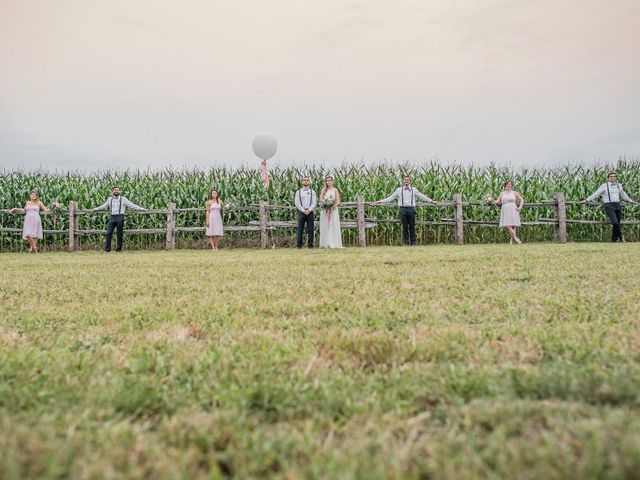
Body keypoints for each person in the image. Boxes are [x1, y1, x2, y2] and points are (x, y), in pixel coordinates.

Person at [376, 176, 438, 245]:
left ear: (410, 181)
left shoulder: (414, 189)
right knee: (405, 227)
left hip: (411, 209)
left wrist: (431, 201)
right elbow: (391, 198)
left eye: (408, 180)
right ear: (403, 181)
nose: (406, 181)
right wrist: (381, 201)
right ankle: (406, 243)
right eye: (405, 180)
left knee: (412, 227)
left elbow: (421, 196)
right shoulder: (399, 190)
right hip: (403, 209)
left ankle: (413, 243)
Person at [91, 186, 146, 252]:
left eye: (117, 190)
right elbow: (104, 205)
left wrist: (142, 209)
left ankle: (118, 250)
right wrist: (96, 209)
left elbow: (132, 205)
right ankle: (107, 249)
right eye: (115, 190)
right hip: (112, 217)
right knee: (108, 233)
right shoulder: (109, 199)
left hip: (120, 216)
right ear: (113, 191)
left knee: (119, 234)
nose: (116, 191)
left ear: (120, 191)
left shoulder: (123, 199)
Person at [585, 171, 636, 242]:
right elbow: (596, 193)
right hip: (609, 205)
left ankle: (613, 240)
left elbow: (623, 194)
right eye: (611, 176)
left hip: (618, 205)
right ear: (608, 178)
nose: (613, 178)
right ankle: (621, 237)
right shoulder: (604, 185)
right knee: (614, 222)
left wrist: (630, 200)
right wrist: (587, 200)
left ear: (616, 178)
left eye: (614, 176)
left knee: (617, 223)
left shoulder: (619, 185)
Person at [495, 180, 524, 244]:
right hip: (505, 210)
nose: (509, 185)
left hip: (513, 209)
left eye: (510, 184)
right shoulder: (502, 193)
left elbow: (521, 199)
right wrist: (491, 200)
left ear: (511, 186)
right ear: (505, 186)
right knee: (508, 225)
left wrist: (520, 207)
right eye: (507, 184)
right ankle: (516, 238)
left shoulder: (514, 193)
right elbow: (498, 201)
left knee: (513, 225)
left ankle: (511, 241)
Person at [319, 176, 343, 248]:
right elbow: (321, 199)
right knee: (326, 225)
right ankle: (325, 243)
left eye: (330, 180)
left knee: (333, 225)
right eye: (327, 180)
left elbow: (338, 200)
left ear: (332, 181)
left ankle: (334, 243)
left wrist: (334, 205)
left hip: (333, 210)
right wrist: (325, 204)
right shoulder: (323, 190)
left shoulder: (335, 190)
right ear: (325, 182)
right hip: (325, 211)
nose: (328, 182)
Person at [294, 176, 317, 248]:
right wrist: (303, 210)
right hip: (301, 212)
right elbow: (297, 202)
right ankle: (299, 245)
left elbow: (314, 202)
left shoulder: (312, 192)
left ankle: (310, 245)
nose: (306, 181)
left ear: (309, 182)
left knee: (310, 229)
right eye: (304, 180)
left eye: (307, 180)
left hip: (310, 212)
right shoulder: (298, 192)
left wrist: (309, 210)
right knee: (300, 229)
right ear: (302, 182)